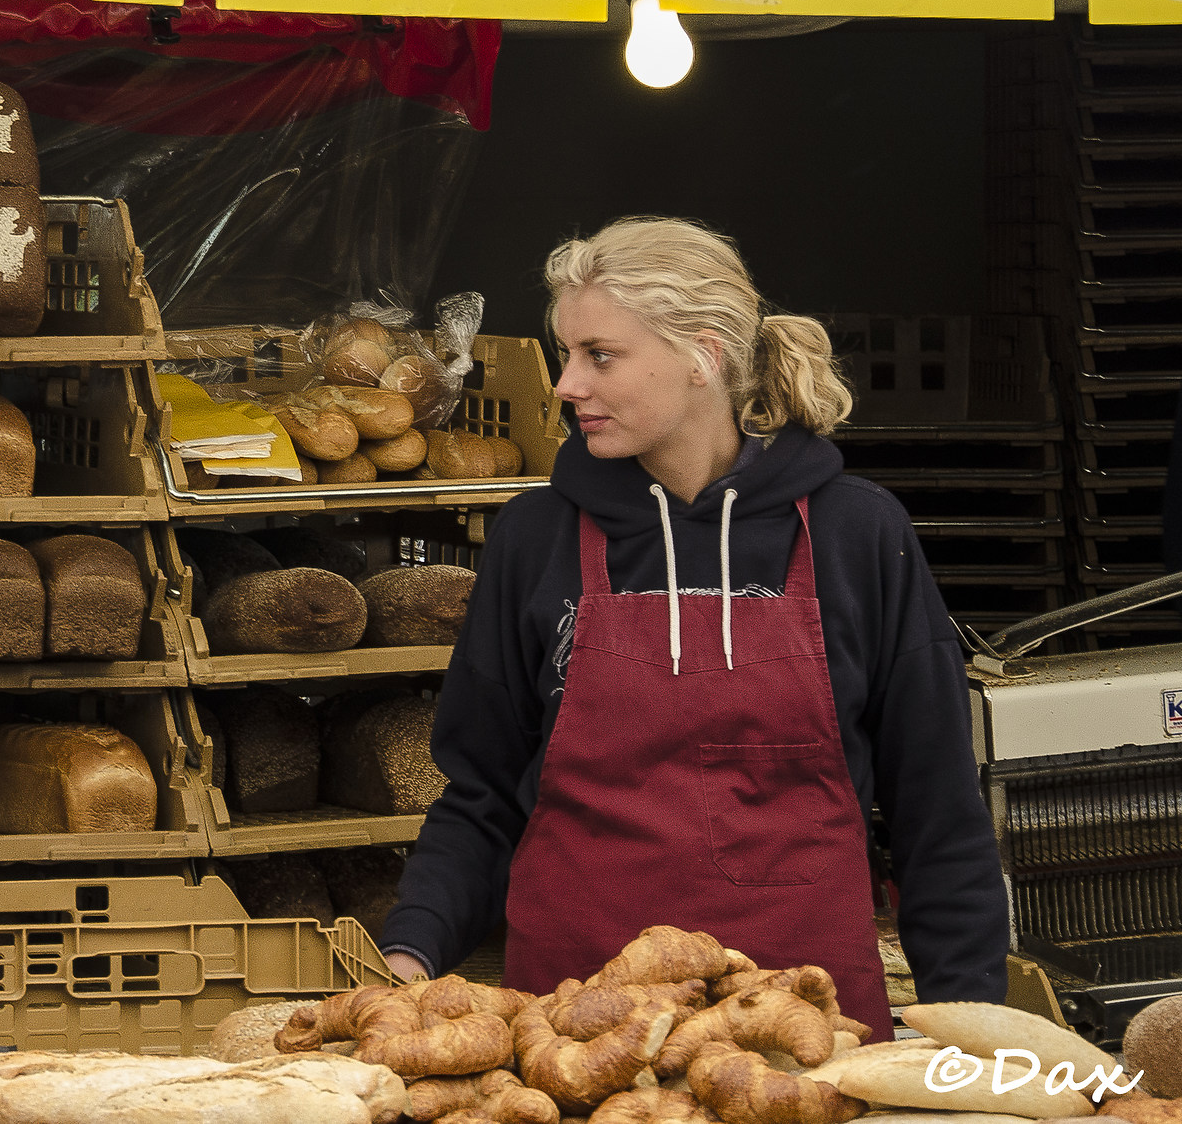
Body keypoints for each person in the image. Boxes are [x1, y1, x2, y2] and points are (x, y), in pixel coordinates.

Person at [378, 218, 1005, 1029]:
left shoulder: (858, 533)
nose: (566, 384)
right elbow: (484, 794)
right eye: (567, 353)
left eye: (598, 354)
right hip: (578, 1037)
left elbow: (937, 808)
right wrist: (409, 952)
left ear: (703, 356)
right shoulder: (534, 539)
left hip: (808, 1034)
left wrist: (976, 1034)